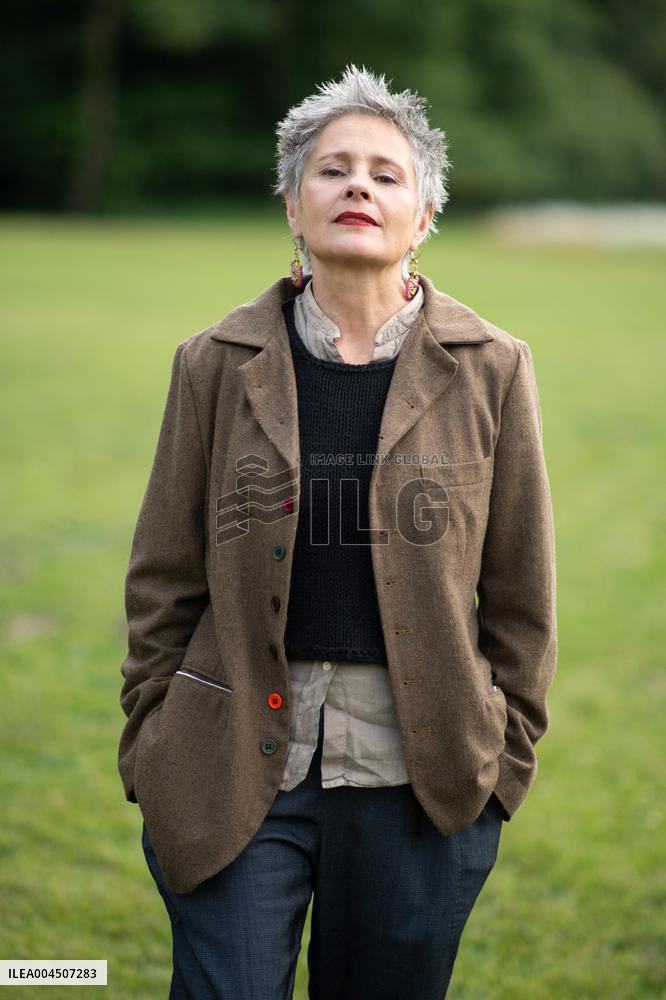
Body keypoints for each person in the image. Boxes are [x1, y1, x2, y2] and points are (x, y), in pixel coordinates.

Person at [118, 64, 557, 999]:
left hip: (424, 772)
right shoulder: (213, 362)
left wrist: (502, 756)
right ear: (291, 202)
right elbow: (162, 574)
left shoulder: (493, 368)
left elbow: (522, 594)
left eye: (387, 174)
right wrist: (154, 737)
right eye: (332, 169)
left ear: (424, 216)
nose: (358, 185)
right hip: (228, 756)